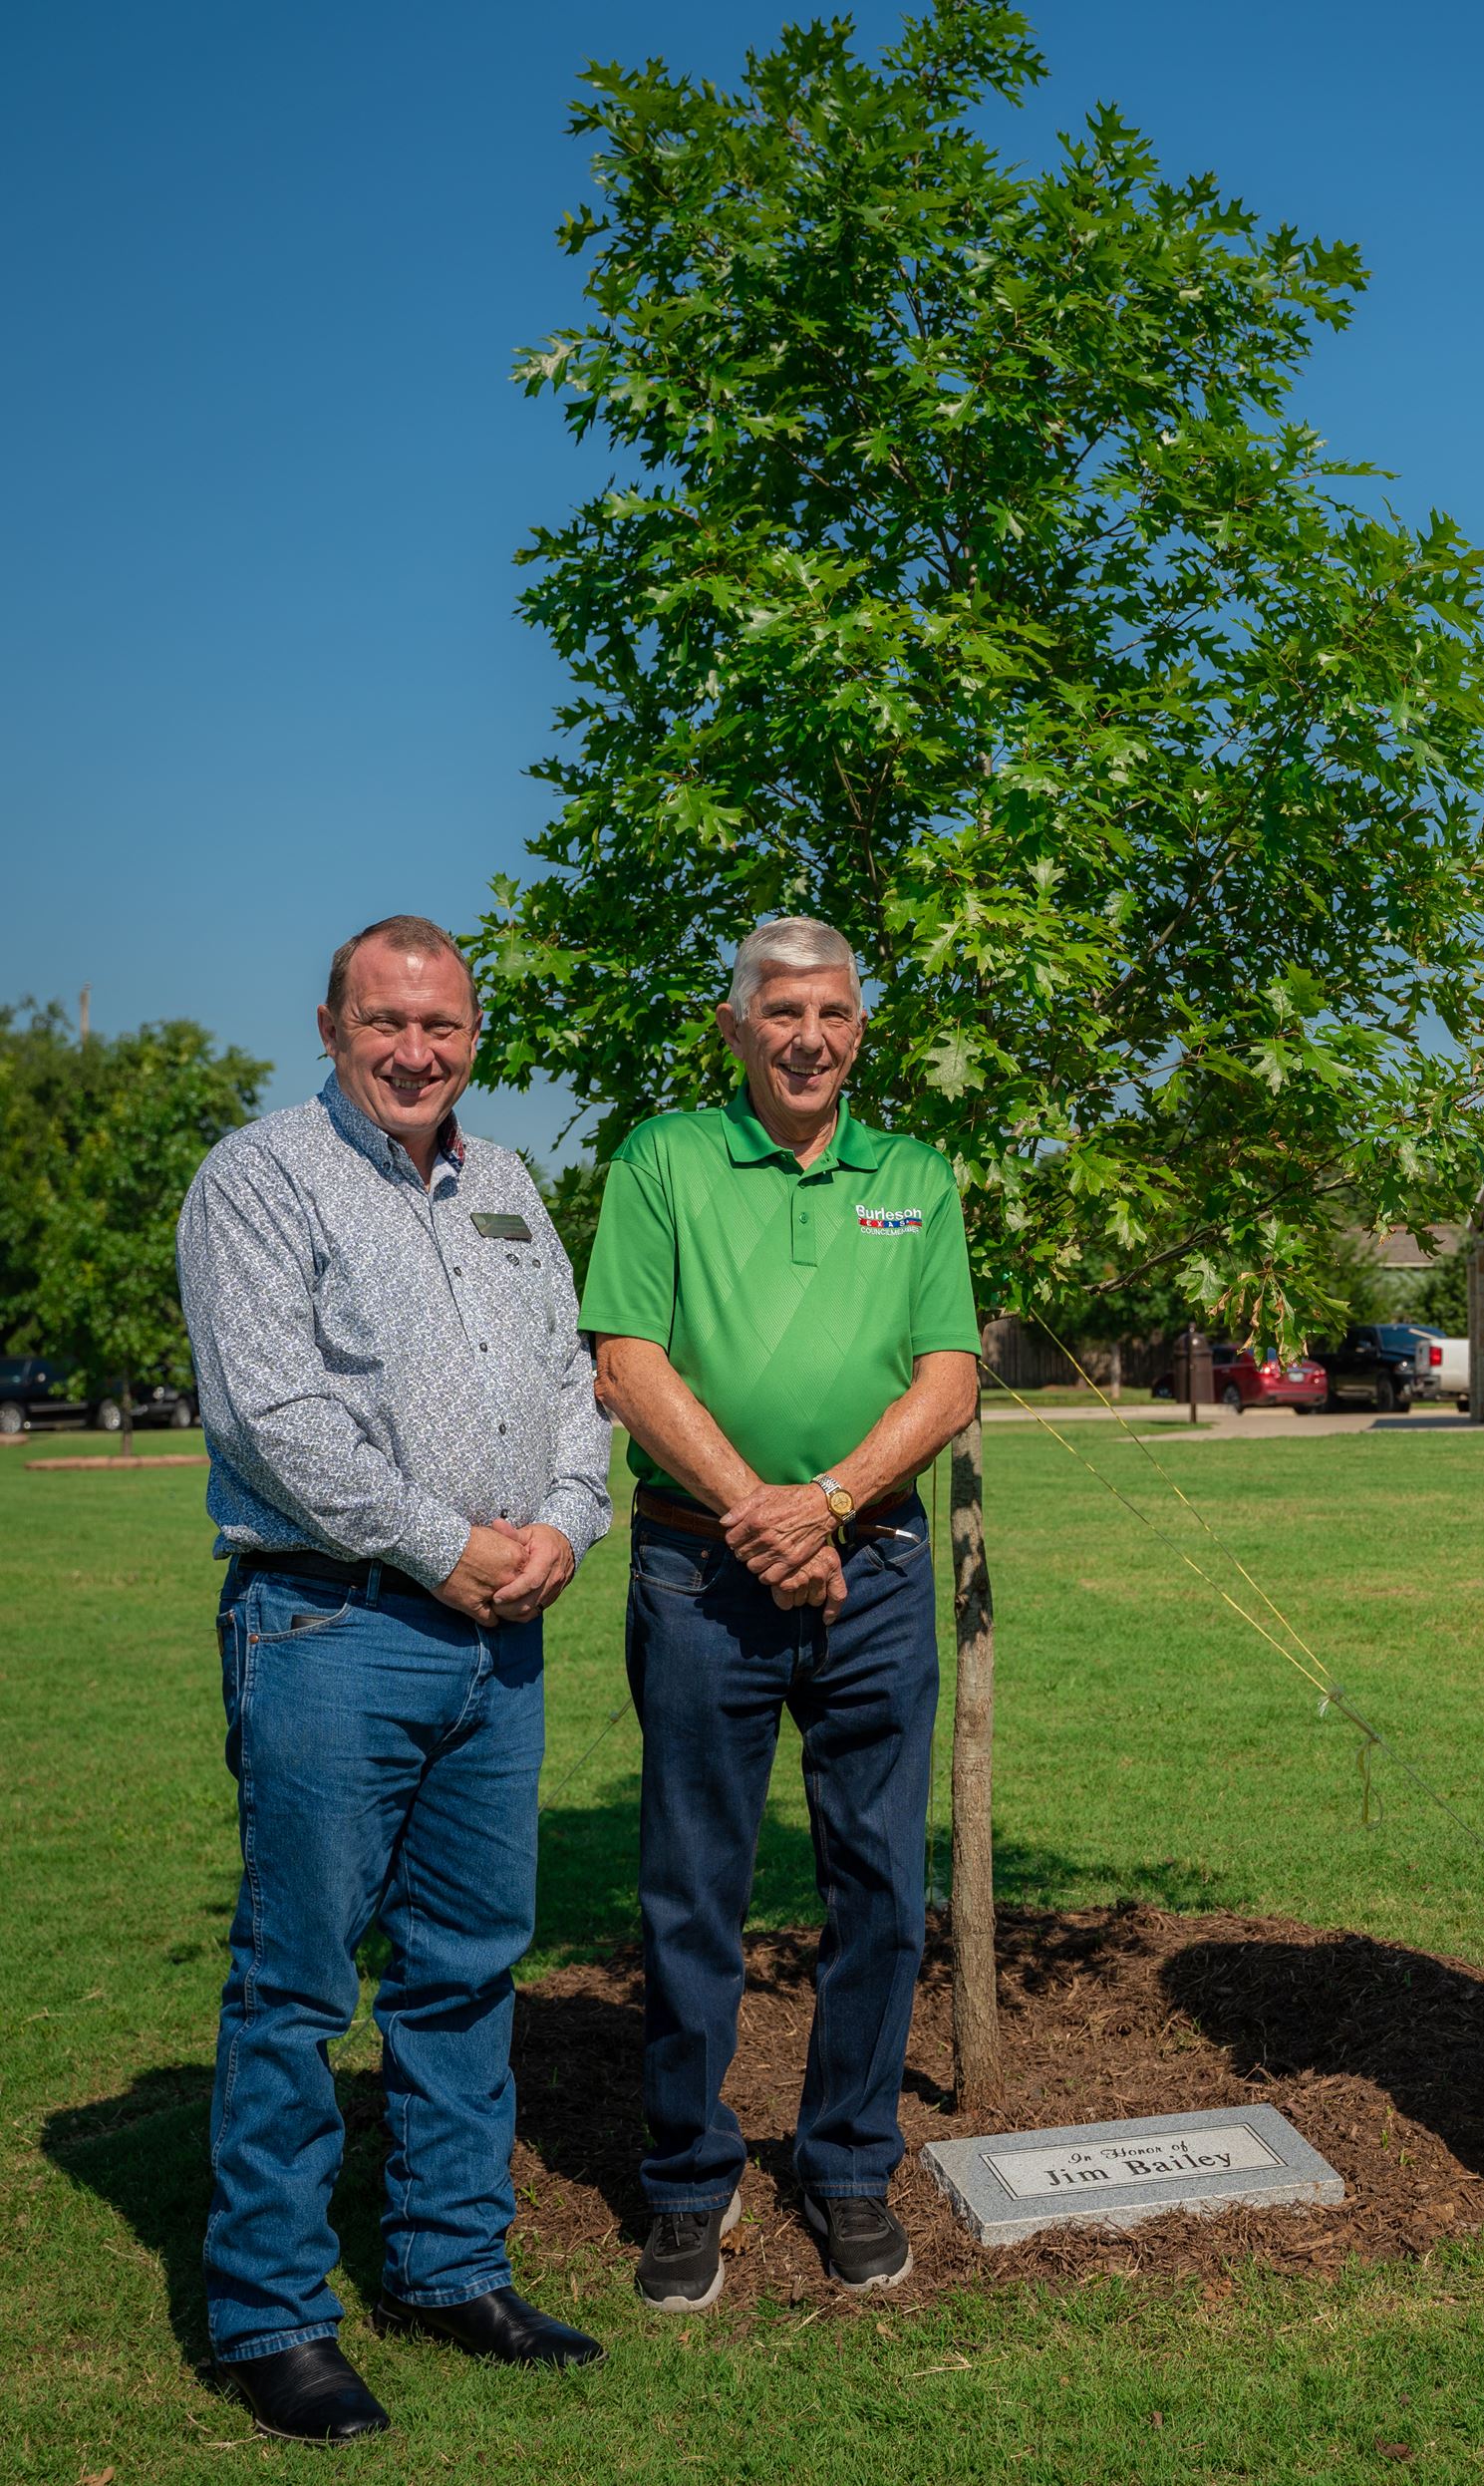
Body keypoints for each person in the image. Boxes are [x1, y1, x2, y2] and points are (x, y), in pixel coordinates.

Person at [176, 916, 611, 2446]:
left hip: (498, 1638)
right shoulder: (258, 1178)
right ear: (331, 1024)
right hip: (331, 1625)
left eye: (442, 1025)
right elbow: (273, 1417)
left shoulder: (507, 1187)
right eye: (387, 1023)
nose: (416, 1050)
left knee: (467, 1963)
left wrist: (561, 1524)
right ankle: (274, 2311)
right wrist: (449, 1550)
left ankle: (449, 2263)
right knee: (299, 1981)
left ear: (473, 1032)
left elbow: (575, 1382)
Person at [582, 917, 981, 2315]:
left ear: (860, 1025)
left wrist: (824, 1503)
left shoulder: (914, 1175)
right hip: (702, 1578)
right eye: (782, 1010)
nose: (810, 1035)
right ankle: (690, 2182)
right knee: (694, 1888)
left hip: (871, 1576)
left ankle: (849, 2164)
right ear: (733, 1023)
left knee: (880, 1887)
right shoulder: (664, 1160)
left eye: (836, 1010)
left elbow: (947, 1380)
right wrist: (762, 1506)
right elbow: (625, 1356)